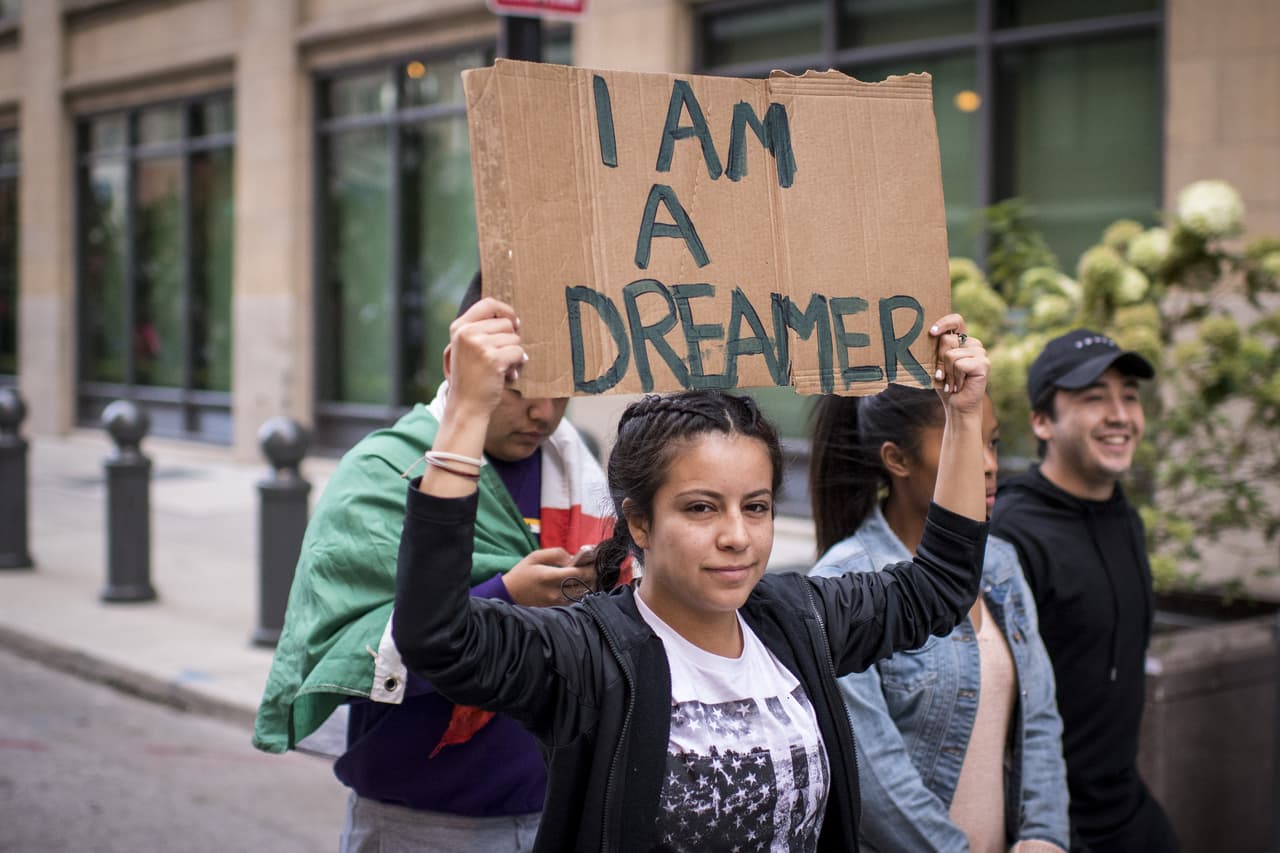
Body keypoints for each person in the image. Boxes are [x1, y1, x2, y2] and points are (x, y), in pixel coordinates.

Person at [390, 300, 991, 852]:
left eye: (754, 507)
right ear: (641, 524)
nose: (736, 535)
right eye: (701, 508)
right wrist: (467, 412)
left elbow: (937, 587)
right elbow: (437, 638)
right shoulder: (587, 653)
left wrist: (963, 418)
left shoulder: (798, 620)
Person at [253, 274, 618, 852]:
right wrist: (506, 597)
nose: (544, 412)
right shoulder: (381, 472)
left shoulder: (582, 475)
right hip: (421, 825)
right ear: (461, 365)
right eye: (518, 386)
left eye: (562, 388)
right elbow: (346, 659)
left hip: (560, 816)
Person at [808, 384, 1069, 853]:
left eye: (992, 442)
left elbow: (1040, 717)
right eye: (965, 443)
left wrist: (1044, 836)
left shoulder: (1001, 562)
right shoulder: (844, 581)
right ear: (898, 459)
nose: (990, 465)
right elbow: (875, 780)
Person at [991, 329, 1178, 853]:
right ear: (1041, 421)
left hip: (1126, 805)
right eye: (1095, 397)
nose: (1120, 415)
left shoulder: (1126, 518)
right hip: (1048, 823)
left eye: (1129, 396)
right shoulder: (1011, 535)